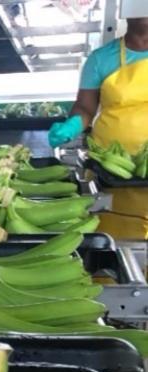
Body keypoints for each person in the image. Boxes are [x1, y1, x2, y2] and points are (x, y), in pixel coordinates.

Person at [50, 0, 148, 240]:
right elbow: (85, 107)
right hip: (112, 170)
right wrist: (73, 125)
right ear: (126, 11)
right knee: (116, 237)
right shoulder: (101, 59)